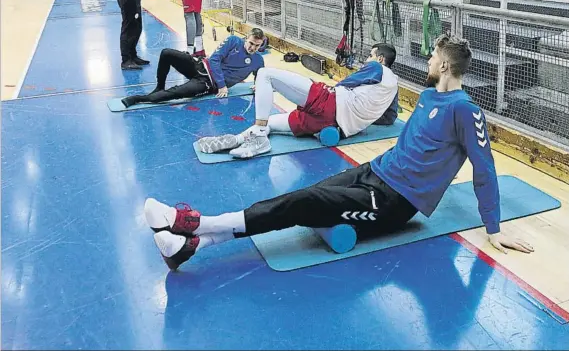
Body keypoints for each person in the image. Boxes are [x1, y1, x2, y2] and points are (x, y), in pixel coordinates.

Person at [144, 34, 534, 271]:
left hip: (395, 202)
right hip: (375, 172)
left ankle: (194, 224)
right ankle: (190, 247)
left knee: (306, 201)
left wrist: (494, 229)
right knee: (307, 195)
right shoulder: (431, 95)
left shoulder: (466, 110)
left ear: (445, 64)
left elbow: (484, 169)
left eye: (433, 58)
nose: (429, 61)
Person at [196, 43, 399, 159]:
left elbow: (343, 84)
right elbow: (389, 119)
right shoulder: (394, 88)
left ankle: (256, 137)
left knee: (266, 75)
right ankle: (240, 139)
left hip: (329, 103)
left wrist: (320, 93)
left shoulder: (378, 68)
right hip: (332, 124)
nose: (367, 60)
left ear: (380, 59)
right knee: (272, 123)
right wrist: (359, 122)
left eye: (370, 56)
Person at [121, 29, 266, 108]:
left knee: (175, 93)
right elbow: (215, 59)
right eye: (251, 43)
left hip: (208, 84)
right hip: (200, 65)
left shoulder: (258, 60)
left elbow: (261, 76)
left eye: (257, 45)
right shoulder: (233, 40)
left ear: (261, 45)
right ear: (246, 38)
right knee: (166, 53)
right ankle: (159, 86)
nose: (253, 48)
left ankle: (138, 99)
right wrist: (223, 85)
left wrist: (258, 84)